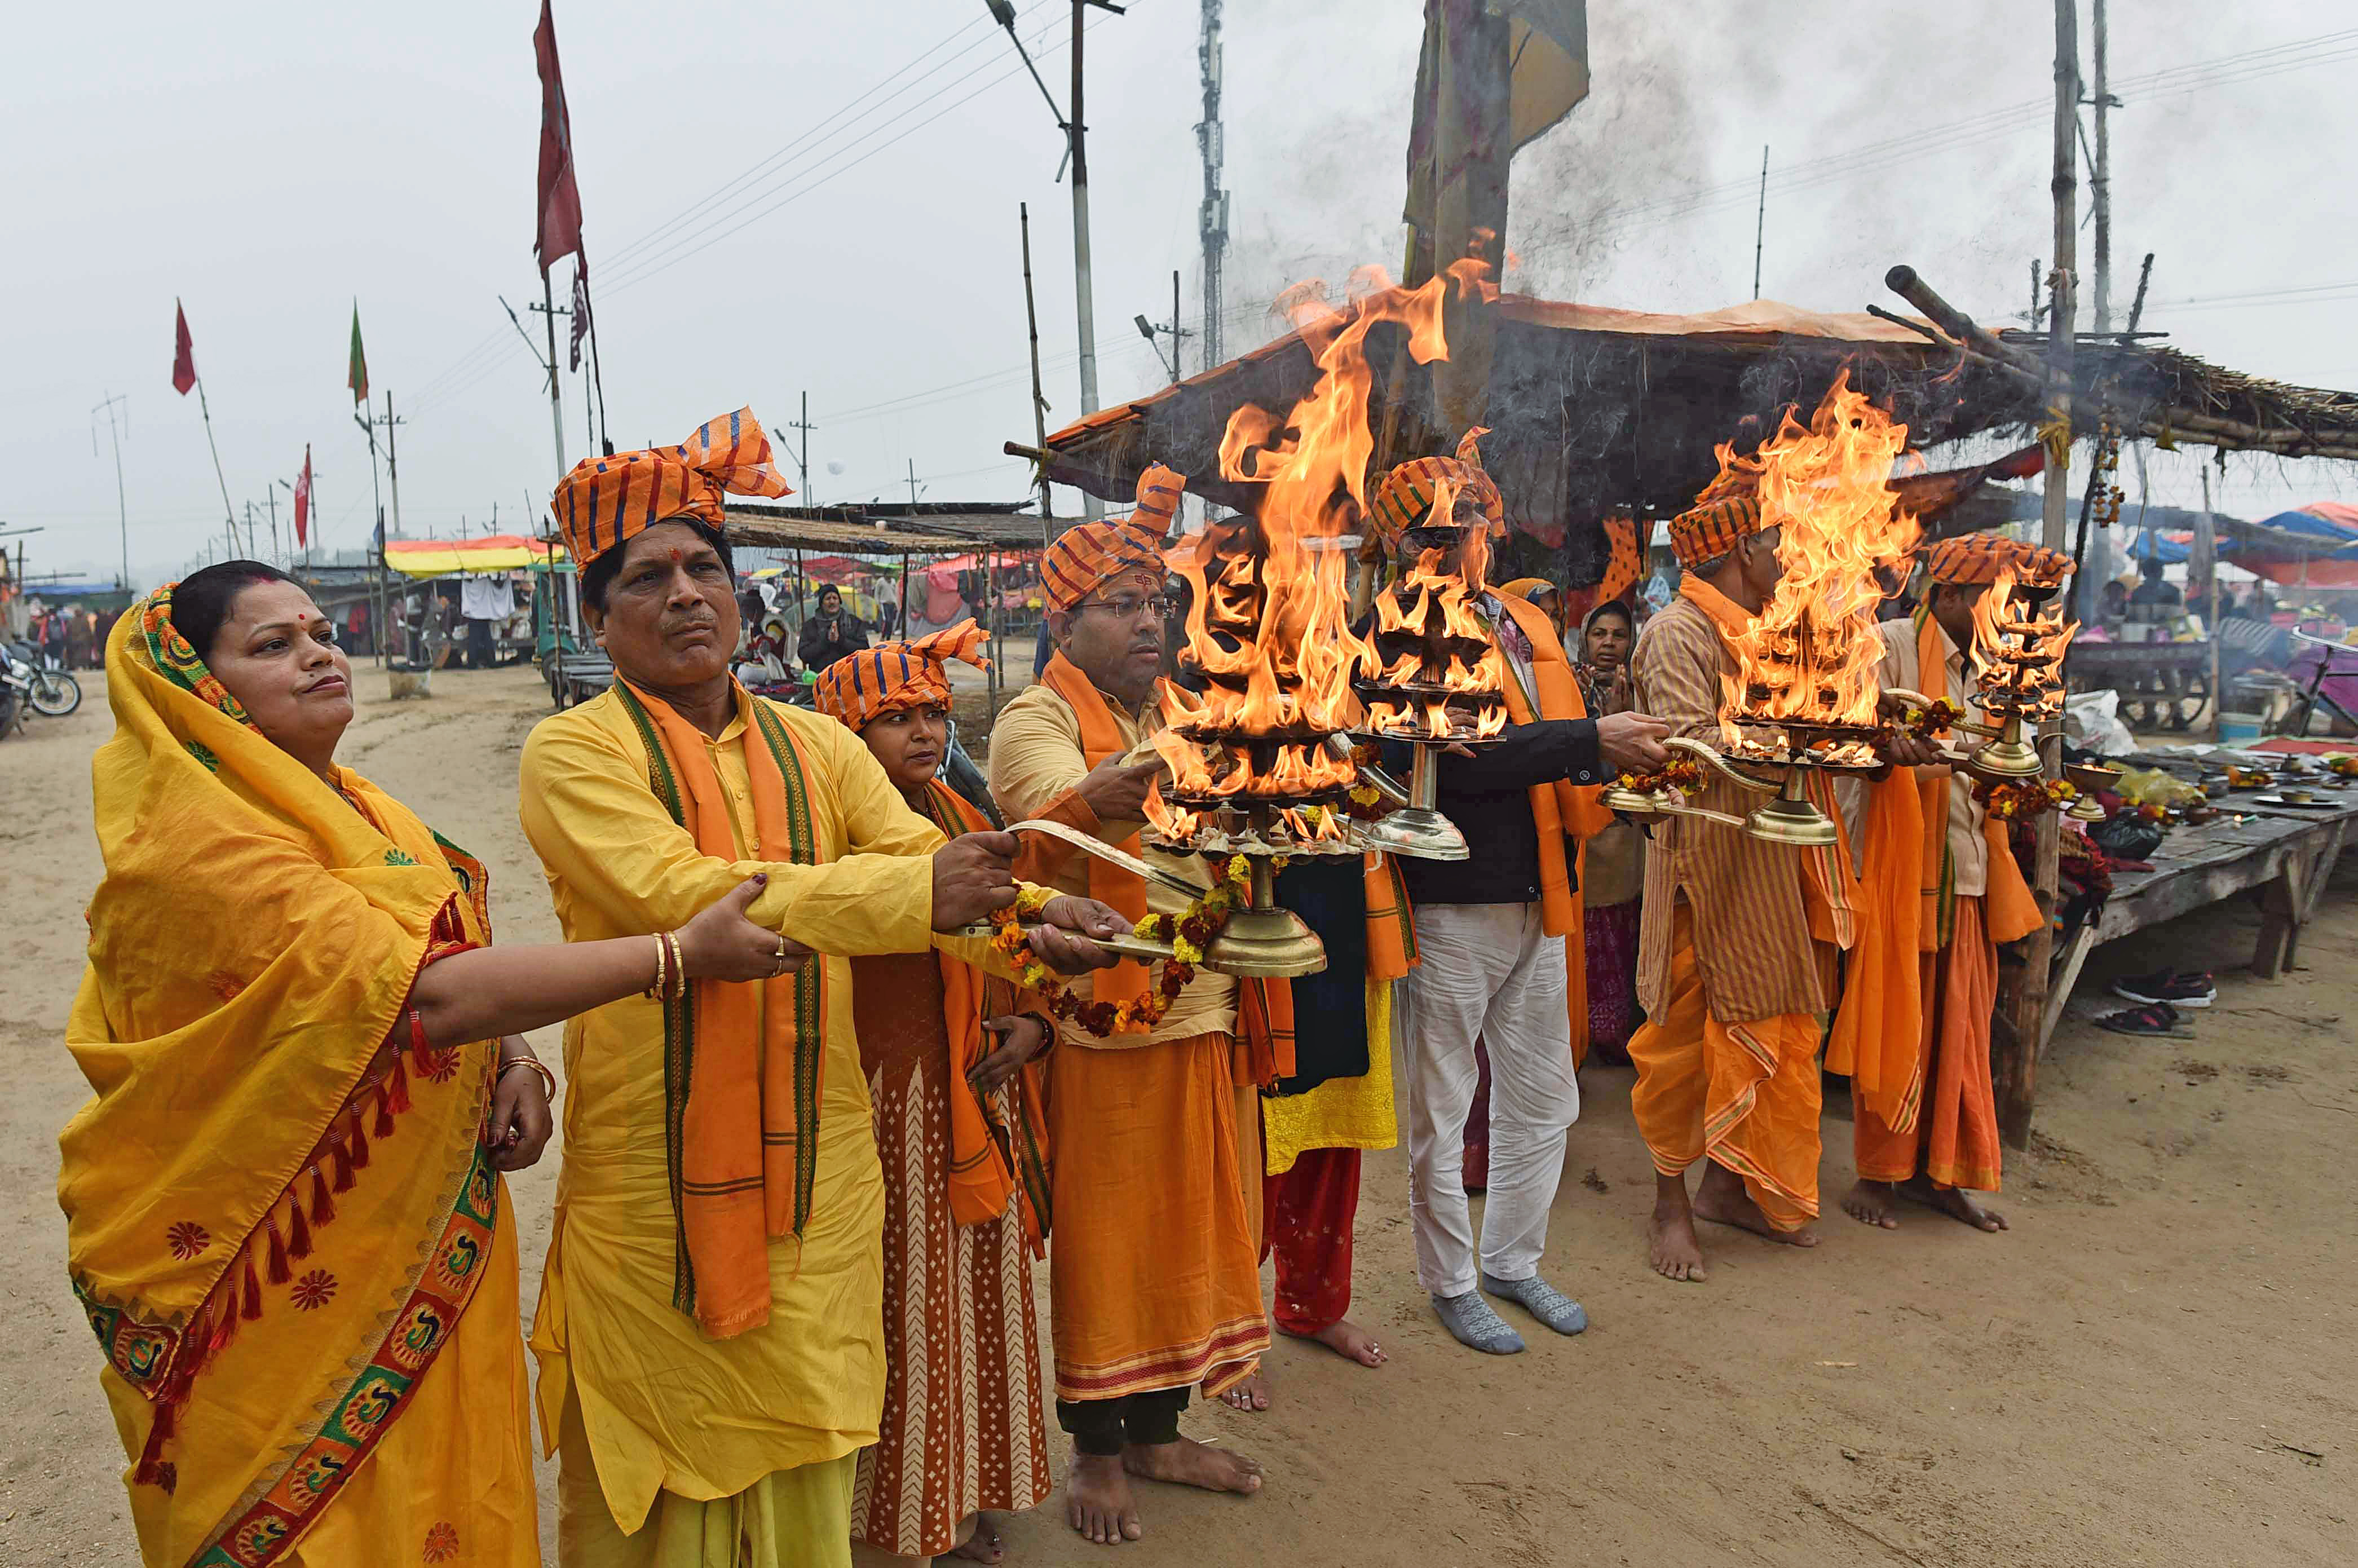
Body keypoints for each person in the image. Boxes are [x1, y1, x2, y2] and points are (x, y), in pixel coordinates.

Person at [60, 561, 797, 1566]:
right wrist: (676, 956)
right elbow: (423, 995)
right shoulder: (199, 848)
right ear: (201, 687)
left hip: (417, 1235)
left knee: (444, 1499)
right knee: (310, 1515)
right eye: (272, 645)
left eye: (319, 631)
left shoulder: (359, 806)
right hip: (276, 1266)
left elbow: (446, 956)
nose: (320, 652)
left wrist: (515, 1058)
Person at [516, 410, 1121, 1568]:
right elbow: (688, 894)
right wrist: (928, 897)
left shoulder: (815, 747)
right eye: (650, 576)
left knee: (806, 1446)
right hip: (654, 1178)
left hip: (823, 1169)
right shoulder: (579, 752)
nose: (688, 594)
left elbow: (913, 861)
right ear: (598, 615)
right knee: (664, 1457)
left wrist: (1049, 925)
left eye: (707, 567)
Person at [986, 463, 1270, 1545]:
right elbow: (1051, 831)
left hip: (1199, 1006)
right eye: (1123, 605)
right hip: (1099, 1024)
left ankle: (1159, 1431)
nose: (1150, 620)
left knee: (1185, 1230)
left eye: (1157, 603)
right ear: (1065, 620)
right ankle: (1099, 1452)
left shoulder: (1172, 706)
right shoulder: (1033, 718)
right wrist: (1227, 743)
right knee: (1110, 1242)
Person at [1367, 433, 1668, 1355]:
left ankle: (1512, 1261)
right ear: (1398, 543)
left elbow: (1551, 739)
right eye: (1436, 528)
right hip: (1454, 897)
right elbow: (1455, 768)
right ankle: (1451, 1282)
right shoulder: (1394, 634)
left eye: (1470, 521)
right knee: (1443, 1105)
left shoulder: (1515, 619)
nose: (1457, 540)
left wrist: (1619, 766)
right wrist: (1593, 743)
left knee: (1544, 1098)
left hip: (1545, 889)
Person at [812, 622, 1057, 1565]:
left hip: (971, 1088)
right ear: (839, 735)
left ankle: (957, 1486)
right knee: (896, 1307)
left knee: (967, 1298)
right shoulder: (825, 835)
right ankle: (897, 1509)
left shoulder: (961, 806)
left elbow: (1019, 933)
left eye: (929, 713)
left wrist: (1034, 1025)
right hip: (882, 1103)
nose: (919, 732)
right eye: (890, 719)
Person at [1627, 469, 1860, 1283]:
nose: (1790, 560)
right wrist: (1790, 731)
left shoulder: (1767, 628)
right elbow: (1686, 745)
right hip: (1703, 862)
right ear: (1741, 551)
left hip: (1768, 859)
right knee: (1681, 1046)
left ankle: (1734, 1187)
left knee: (1776, 1020)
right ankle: (1670, 1204)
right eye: (1777, 545)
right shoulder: (1677, 633)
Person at [1835, 535, 2058, 1235]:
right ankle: (1879, 1172)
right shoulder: (1891, 643)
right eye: (1998, 599)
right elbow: (1852, 743)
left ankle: (1943, 1176)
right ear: (1953, 596)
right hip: (1901, 868)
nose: (2009, 613)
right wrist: (1899, 752)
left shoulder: (1997, 665)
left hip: (1968, 872)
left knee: (1959, 1033)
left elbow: (1995, 757)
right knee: (1899, 1021)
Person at [1573, 600, 1646, 1064]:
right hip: (1585, 837)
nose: (1608, 644)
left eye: (1618, 635)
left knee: (1622, 941)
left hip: (1625, 843)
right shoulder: (1571, 689)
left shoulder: (1641, 693)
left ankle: (1618, 1035)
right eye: (1600, 634)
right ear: (1586, 640)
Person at [798, 584, 869, 673]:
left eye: (835, 598)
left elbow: (865, 651)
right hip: (821, 678)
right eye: (828, 599)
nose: (832, 602)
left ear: (839, 601)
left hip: (849, 677)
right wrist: (825, 642)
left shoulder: (854, 622)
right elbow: (804, 655)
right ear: (821, 603)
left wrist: (840, 641)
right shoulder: (810, 626)